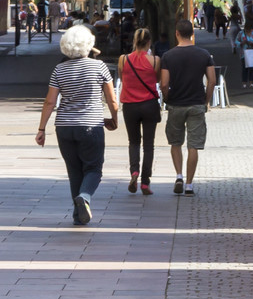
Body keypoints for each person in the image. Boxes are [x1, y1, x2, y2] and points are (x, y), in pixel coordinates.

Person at [36, 25, 117, 225]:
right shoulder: (99, 67)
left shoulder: (59, 69)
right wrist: (114, 119)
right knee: (94, 169)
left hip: (64, 127)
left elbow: (50, 101)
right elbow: (112, 100)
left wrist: (41, 128)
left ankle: (77, 215)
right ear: (89, 44)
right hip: (91, 125)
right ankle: (85, 198)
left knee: (74, 171)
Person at [160, 20, 217, 197]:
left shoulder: (168, 56)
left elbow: (164, 83)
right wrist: (205, 100)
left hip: (176, 103)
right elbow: (212, 80)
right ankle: (190, 185)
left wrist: (167, 98)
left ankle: (178, 175)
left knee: (175, 143)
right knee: (194, 145)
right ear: (192, 33)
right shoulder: (204, 54)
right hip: (196, 103)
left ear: (177, 33)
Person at [117, 28, 162, 196]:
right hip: (149, 105)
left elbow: (123, 79)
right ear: (149, 42)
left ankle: (134, 172)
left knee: (134, 142)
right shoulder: (155, 60)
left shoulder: (123, 59)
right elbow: (156, 79)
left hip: (130, 105)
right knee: (148, 145)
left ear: (134, 41)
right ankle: (145, 182)